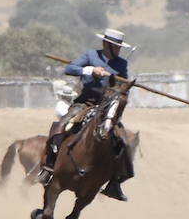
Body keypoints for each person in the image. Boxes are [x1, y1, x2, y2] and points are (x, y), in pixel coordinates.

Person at [36, 28, 135, 201]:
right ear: (106, 44)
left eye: (119, 47)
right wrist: (90, 70)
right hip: (85, 102)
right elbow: (70, 68)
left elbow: (123, 84)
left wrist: (120, 85)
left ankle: (115, 183)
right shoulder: (90, 55)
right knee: (60, 127)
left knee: (122, 141)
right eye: (115, 46)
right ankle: (49, 167)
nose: (118, 50)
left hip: (106, 108)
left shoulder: (121, 64)